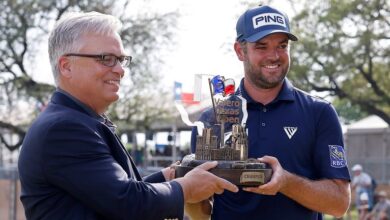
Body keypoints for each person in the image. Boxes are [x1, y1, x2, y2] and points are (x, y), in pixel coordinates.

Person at [18, 11, 238, 220]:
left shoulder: (78, 120)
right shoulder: (65, 128)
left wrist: (167, 177)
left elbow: (110, 196)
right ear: (66, 66)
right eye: (106, 58)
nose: (120, 70)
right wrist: (186, 188)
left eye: (121, 60)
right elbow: (129, 203)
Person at [190, 5, 351, 219]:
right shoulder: (212, 120)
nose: (274, 56)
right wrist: (185, 192)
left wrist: (285, 181)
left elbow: (339, 203)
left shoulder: (319, 112)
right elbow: (201, 208)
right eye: (261, 46)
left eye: (282, 46)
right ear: (240, 51)